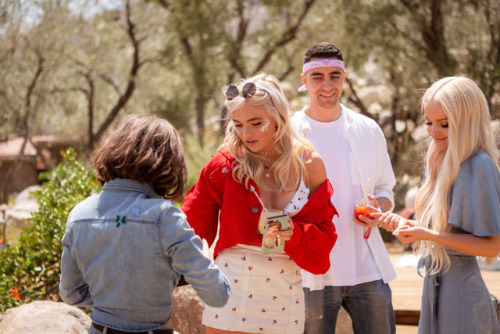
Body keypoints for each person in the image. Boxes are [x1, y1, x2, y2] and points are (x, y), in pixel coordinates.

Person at [181, 72, 338, 333]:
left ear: (278, 117)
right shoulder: (224, 163)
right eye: (238, 124)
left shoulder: (310, 164)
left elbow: (325, 237)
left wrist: (295, 232)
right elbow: (189, 225)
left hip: (284, 289)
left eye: (255, 123)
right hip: (230, 283)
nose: (246, 133)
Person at [59, 114, 230, 334]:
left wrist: (114, 298)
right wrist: (207, 260)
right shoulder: (165, 217)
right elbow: (218, 295)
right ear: (168, 163)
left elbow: (70, 293)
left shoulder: (79, 214)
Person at [375, 76, 500, 333]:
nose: (433, 132)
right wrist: (405, 224)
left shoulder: (479, 165)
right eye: (429, 123)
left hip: (463, 299)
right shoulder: (442, 160)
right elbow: (446, 231)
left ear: (467, 121)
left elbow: (492, 245)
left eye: (444, 124)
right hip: (436, 290)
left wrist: (424, 233)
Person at [290, 42, 397, 334]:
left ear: (344, 77)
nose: (327, 85)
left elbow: (386, 189)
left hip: (368, 269)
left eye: (334, 76)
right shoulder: (288, 134)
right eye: (317, 77)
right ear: (304, 81)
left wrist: (380, 209)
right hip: (311, 273)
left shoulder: (368, 129)